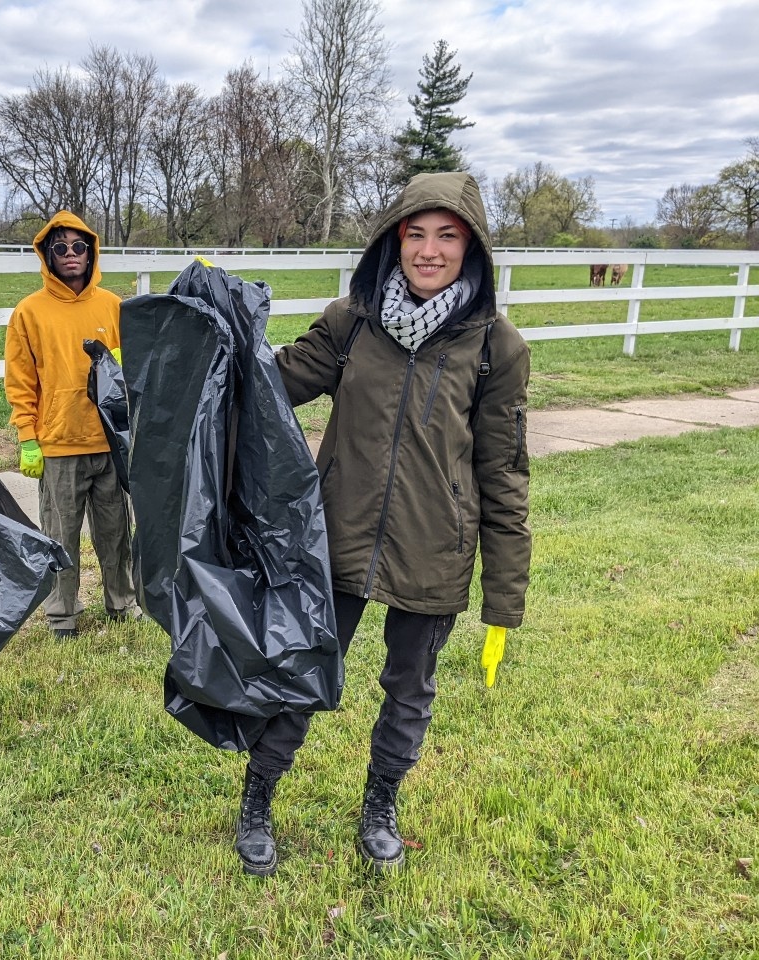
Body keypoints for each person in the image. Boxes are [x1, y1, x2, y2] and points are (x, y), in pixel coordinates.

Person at [270, 171, 531, 872]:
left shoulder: (496, 347)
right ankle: (258, 797)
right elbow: (270, 386)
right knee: (302, 669)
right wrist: (199, 347)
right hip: (338, 533)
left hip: (434, 549)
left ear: (472, 246)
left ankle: (381, 803)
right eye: (414, 234)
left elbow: (503, 472)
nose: (428, 250)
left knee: (408, 688)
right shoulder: (350, 322)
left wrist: (504, 597)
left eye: (447, 235)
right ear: (394, 240)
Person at [3, 211, 140, 638]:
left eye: (78, 246)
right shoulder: (29, 312)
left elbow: (134, 371)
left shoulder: (113, 306)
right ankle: (63, 616)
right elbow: (20, 378)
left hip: (110, 443)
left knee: (115, 532)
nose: (70, 254)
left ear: (91, 251)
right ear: (47, 254)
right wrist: (28, 436)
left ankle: (122, 602)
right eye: (59, 247)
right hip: (59, 444)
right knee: (60, 537)